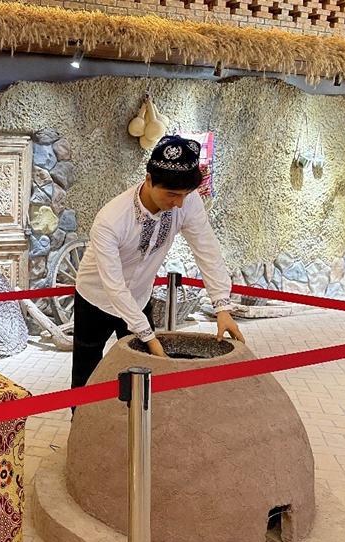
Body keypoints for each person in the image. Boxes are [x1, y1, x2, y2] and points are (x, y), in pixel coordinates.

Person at [72, 134, 244, 393]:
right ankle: (81, 417)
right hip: (96, 296)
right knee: (87, 368)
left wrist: (222, 306)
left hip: (140, 295)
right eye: (172, 194)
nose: (178, 203)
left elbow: (207, 250)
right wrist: (148, 336)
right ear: (149, 179)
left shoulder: (187, 202)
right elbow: (114, 286)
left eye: (185, 194)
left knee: (145, 371)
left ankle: (137, 417)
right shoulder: (111, 220)